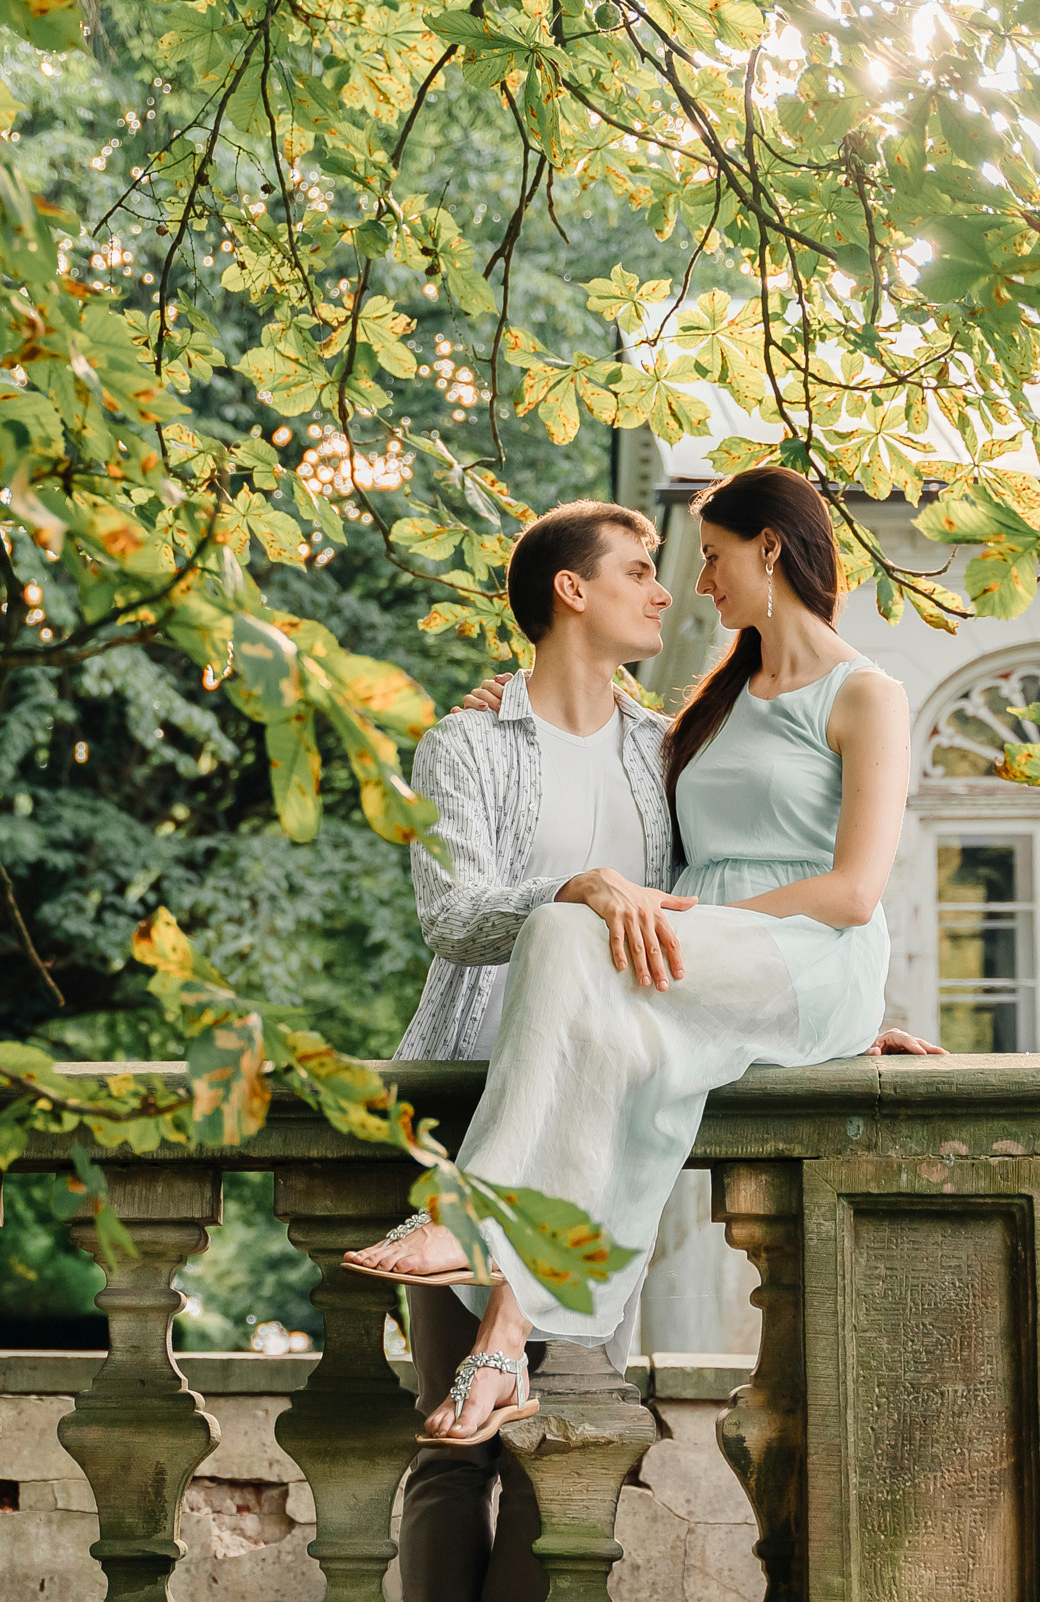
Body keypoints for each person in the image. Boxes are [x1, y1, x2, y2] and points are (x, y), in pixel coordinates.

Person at [366, 489, 934, 1602]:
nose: (678, 585)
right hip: (473, 1086)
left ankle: (468, 1228)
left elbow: (791, 886)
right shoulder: (491, 739)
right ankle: (470, 1221)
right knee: (452, 1459)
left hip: (612, 1096)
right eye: (645, 568)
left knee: (569, 1445)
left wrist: (839, 1016)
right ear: (573, 593)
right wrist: (569, 882)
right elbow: (454, 915)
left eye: (701, 559)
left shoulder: (664, 740)